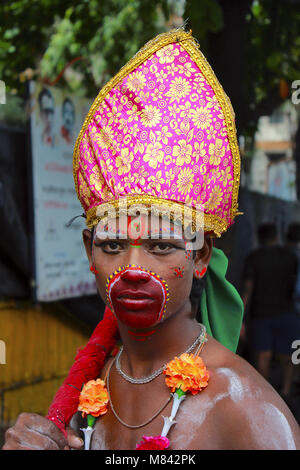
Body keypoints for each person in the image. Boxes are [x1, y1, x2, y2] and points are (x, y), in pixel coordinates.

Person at [3, 29, 300, 451]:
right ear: (89, 250)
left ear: (200, 255)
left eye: (161, 246)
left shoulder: (243, 407)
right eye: (112, 246)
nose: (134, 270)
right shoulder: (89, 389)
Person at [241, 222, 300, 399]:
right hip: (287, 312)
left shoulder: (253, 257)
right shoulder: (290, 257)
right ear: (276, 236)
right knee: (288, 355)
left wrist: (240, 319)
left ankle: (266, 395)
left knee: (263, 356)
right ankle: (287, 390)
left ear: (259, 238)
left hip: (261, 315)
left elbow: (248, 290)